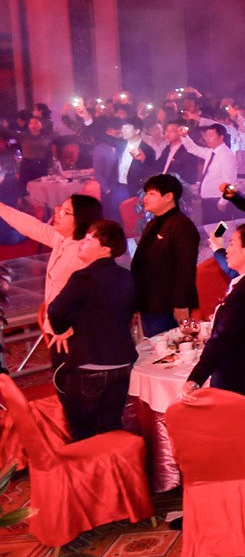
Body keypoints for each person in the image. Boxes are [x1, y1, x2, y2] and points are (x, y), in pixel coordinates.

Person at [46, 220, 135, 440]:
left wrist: (62, 330)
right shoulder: (126, 276)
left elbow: (55, 310)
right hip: (122, 363)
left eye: (88, 239)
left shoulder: (83, 277)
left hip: (90, 364)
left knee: (83, 434)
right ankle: (117, 463)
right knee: (112, 429)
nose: (81, 243)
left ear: (106, 250)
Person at [183, 224, 245, 404]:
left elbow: (222, 338)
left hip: (238, 376)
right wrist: (217, 247)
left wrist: (195, 378)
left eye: (232, 244)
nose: (227, 250)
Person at [0, 193, 103, 354]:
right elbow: (30, 225)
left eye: (65, 212)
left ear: (81, 219)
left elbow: (92, 295)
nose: (57, 213)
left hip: (75, 331)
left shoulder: (86, 251)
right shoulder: (61, 238)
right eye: (59, 208)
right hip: (57, 326)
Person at [132, 174, 200, 337]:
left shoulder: (182, 225)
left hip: (168, 306)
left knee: (171, 346)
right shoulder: (153, 223)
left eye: (152, 194)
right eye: (146, 193)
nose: (145, 198)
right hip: (149, 302)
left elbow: (185, 268)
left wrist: (182, 303)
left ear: (169, 197)